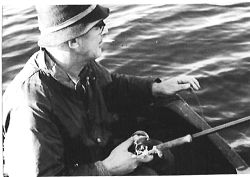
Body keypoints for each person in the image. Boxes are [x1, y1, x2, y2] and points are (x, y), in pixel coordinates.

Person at [2, 5, 200, 176]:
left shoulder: (81, 66)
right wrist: (106, 169)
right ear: (73, 41)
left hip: (90, 157)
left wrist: (156, 88)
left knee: (164, 159)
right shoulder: (30, 105)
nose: (104, 32)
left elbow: (111, 85)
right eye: (98, 26)